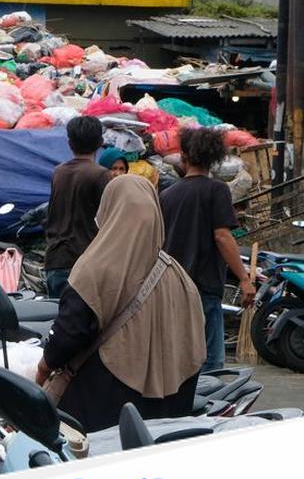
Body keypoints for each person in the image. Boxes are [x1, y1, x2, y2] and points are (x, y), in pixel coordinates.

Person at [37, 176, 205, 432]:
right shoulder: (179, 276)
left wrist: (43, 367)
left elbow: (69, 333)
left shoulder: (94, 268)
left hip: (102, 411)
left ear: (109, 211)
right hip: (168, 415)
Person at [160, 127, 254, 372]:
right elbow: (222, 236)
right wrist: (244, 279)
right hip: (203, 286)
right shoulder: (217, 190)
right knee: (211, 363)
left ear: (184, 156)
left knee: (178, 359)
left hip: (172, 286)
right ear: (215, 158)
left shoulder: (167, 195)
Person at [44, 115, 111, 299]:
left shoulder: (59, 172)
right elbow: (109, 221)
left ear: (69, 143)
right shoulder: (100, 175)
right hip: (84, 264)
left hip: (55, 260)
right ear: (100, 142)